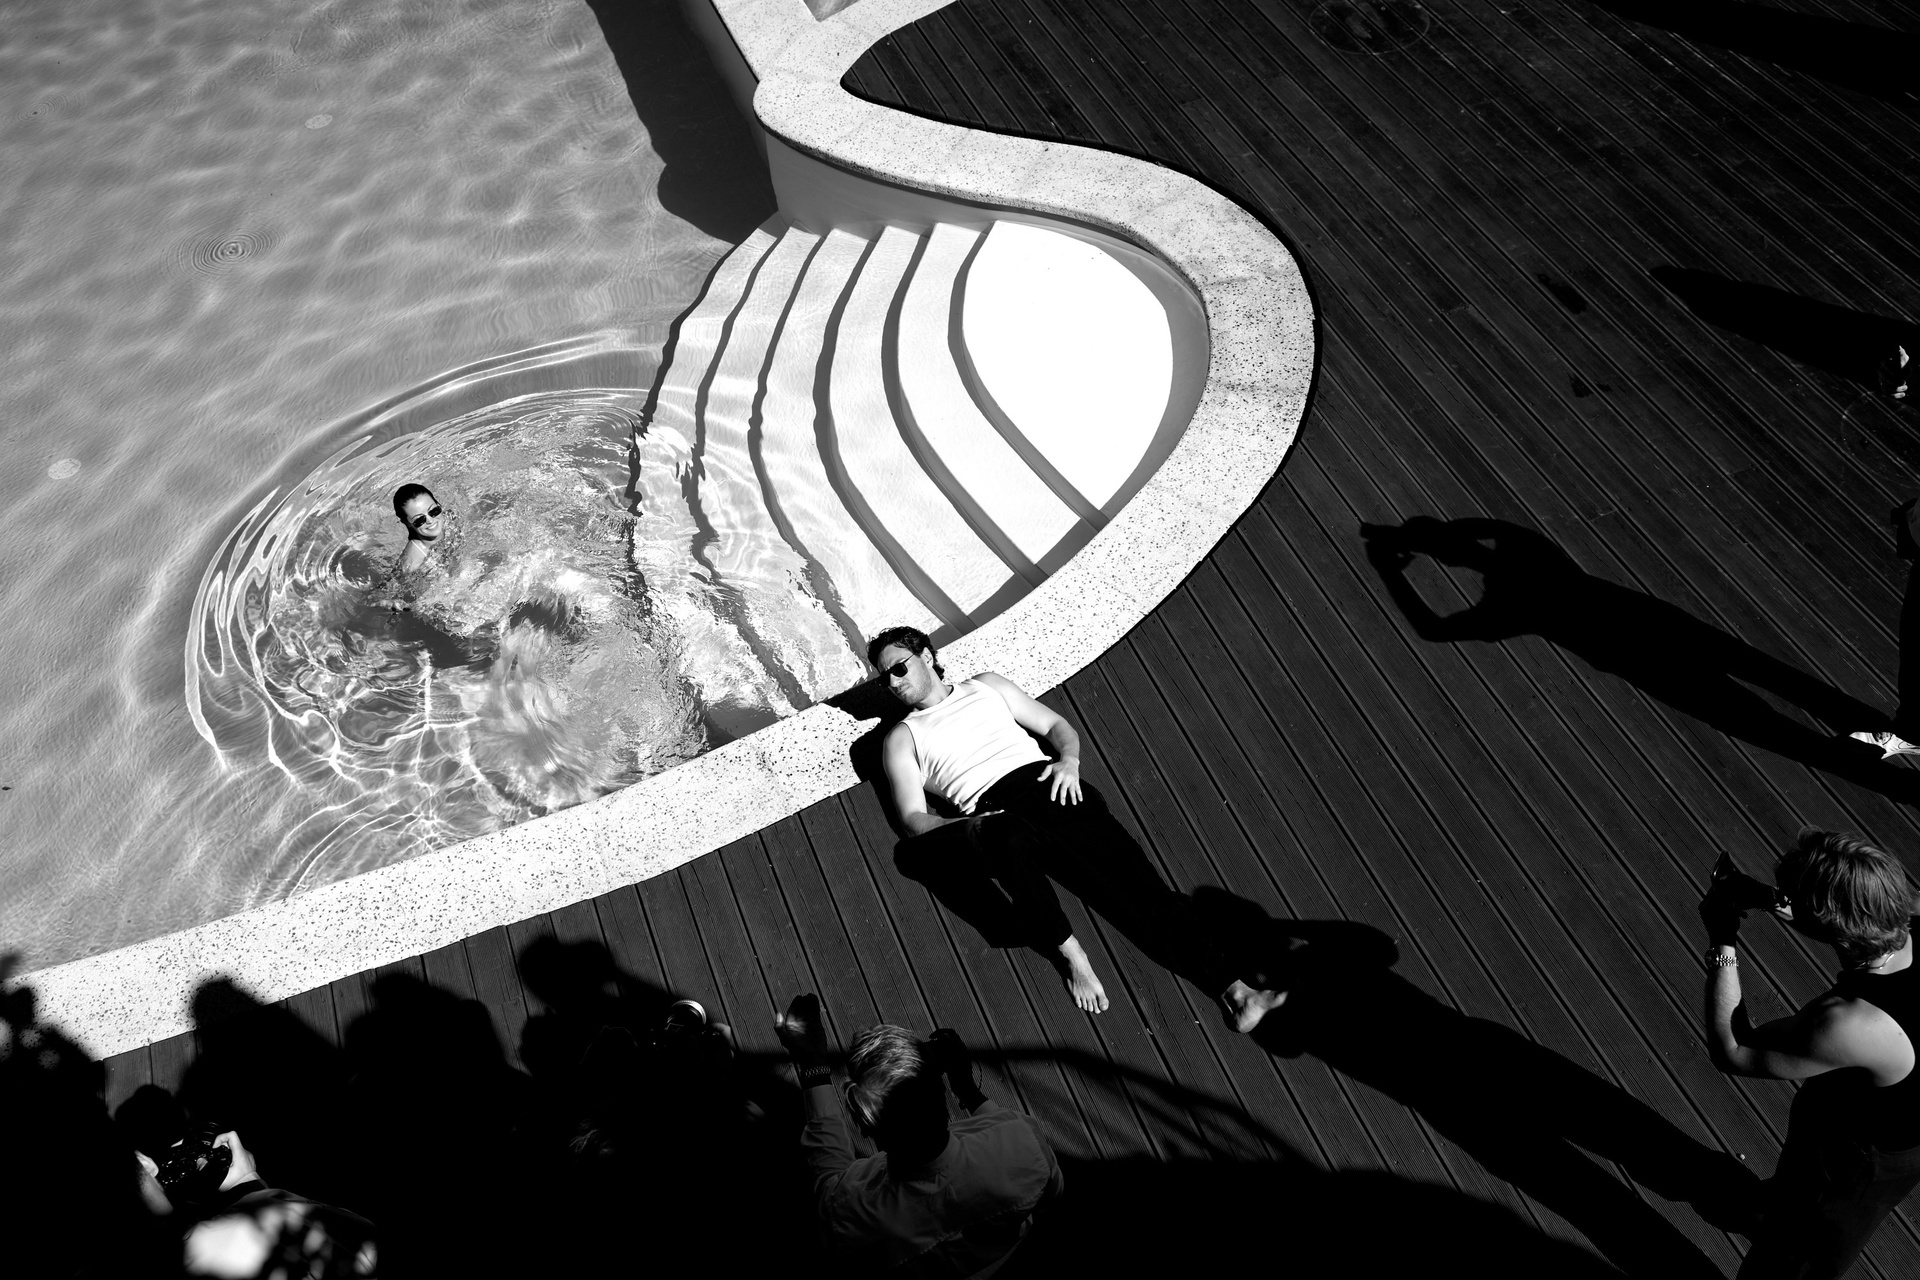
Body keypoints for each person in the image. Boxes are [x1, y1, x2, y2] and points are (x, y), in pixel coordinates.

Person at [870, 626, 1287, 1031]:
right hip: (993, 814)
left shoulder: (985, 686)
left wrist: (1068, 760)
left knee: (1144, 890)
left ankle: (1237, 992)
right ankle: (1072, 954)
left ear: (927, 657)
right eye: (884, 677)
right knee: (1006, 838)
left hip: (1049, 787)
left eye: (898, 668)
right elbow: (912, 820)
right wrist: (972, 824)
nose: (892, 682)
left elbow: (1056, 727)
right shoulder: (903, 737)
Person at [1700, 828, 1920, 1279]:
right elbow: (1858, 915)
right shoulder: (1904, 911)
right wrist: (1773, 900)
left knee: (1794, 1257)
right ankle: (1774, 1205)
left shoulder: (1851, 1023)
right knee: (1797, 1183)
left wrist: (1722, 938)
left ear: (1834, 930)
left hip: (1860, 1159)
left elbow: (1733, 1049)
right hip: (1883, 1103)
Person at [776, 993, 1061, 1277]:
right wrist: (967, 1090)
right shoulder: (1025, 1144)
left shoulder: (852, 1213)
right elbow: (1052, 1195)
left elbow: (828, 1175)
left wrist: (813, 1063)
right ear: (940, 1090)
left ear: (864, 1126)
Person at [391, 482, 447, 577]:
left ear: (438, 505)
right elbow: (393, 584)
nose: (430, 520)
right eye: (420, 520)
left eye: (433, 511)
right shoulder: (413, 562)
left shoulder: (450, 518)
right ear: (407, 523)